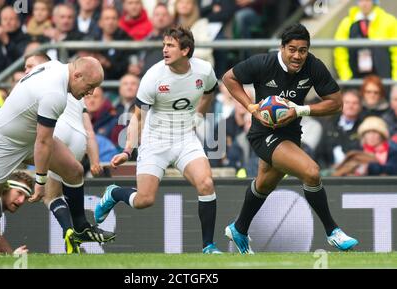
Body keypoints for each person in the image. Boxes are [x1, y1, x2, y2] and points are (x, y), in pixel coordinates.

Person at [222, 23, 358, 254]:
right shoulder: (263, 63)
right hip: (263, 133)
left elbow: (336, 103)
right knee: (311, 171)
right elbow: (229, 78)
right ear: (282, 48)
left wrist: (300, 110)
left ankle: (239, 227)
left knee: (264, 183)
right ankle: (333, 231)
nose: (297, 55)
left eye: (302, 50)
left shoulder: (313, 65)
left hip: (292, 132)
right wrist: (251, 107)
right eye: (292, 49)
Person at [0, 57, 107, 253]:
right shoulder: (54, 94)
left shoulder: (55, 66)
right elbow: (43, 142)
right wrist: (40, 182)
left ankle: (81, 227)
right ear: (77, 75)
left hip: (26, 137)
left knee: (74, 170)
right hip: (0, 144)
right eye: (90, 86)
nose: (90, 93)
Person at [94, 26, 222, 254]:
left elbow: (210, 91)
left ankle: (208, 247)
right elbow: (137, 119)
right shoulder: (153, 76)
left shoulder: (204, 70)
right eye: (164, 45)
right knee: (144, 200)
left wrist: (199, 116)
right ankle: (114, 193)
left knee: (206, 184)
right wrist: (127, 150)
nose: (164, 50)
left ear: (186, 50)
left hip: (185, 138)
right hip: (155, 141)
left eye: (170, 45)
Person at [23, 52, 114, 254]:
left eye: (31, 65)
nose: (27, 70)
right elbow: (89, 129)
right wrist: (95, 158)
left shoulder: (39, 82)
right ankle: (78, 232)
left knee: (51, 196)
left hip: (57, 134)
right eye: (25, 66)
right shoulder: (75, 87)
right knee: (71, 180)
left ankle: (70, 231)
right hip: (78, 138)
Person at [334, 0, 397, 81]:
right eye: (361, 0)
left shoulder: (389, 21)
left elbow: (396, 53)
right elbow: (340, 52)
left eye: (368, 0)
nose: (364, 3)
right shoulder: (347, 23)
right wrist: (347, 78)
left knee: (381, 49)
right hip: (355, 76)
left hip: (382, 78)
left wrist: (395, 82)